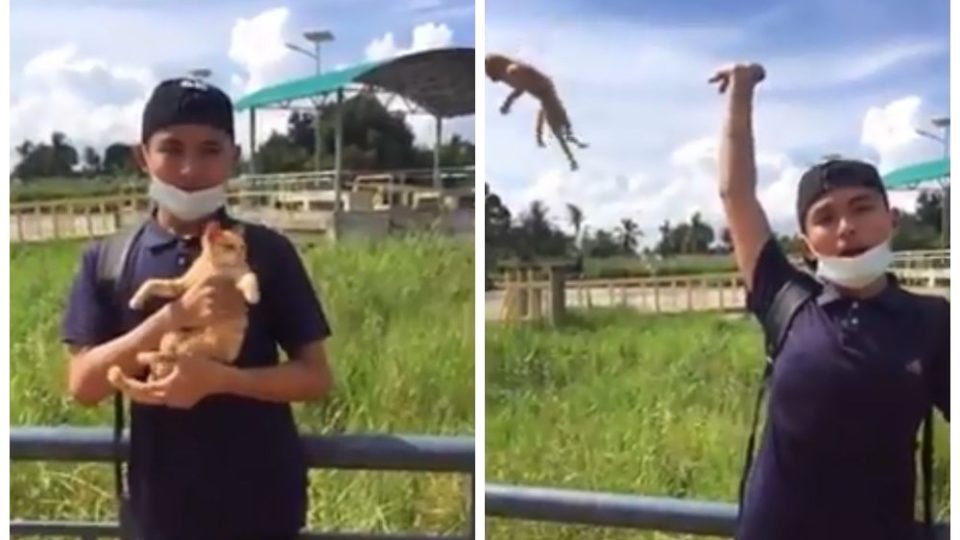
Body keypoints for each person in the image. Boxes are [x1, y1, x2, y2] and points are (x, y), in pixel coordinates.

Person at [61, 77, 334, 540]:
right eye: (171, 149)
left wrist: (223, 381)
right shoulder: (108, 259)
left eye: (210, 150)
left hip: (265, 505)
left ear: (235, 157)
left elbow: (315, 377)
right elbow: (84, 385)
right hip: (159, 510)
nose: (189, 169)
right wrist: (172, 317)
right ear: (142, 156)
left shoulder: (267, 252)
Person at [710, 62, 949, 540]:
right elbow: (735, 193)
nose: (846, 228)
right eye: (825, 218)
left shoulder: (934, 321)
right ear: (805, 244)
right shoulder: (787, 300)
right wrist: (741, 92)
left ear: (892, 219)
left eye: (862, 208)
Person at [485, 53, 588, 171]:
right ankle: (570, 149)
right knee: (558, 125)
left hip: (545, 93)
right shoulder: (511, 71)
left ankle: (571, 154)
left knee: (558, 128)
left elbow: (521, 87)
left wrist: (508, 102)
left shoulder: (512, 70)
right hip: (544, 94)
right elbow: (524, 88)